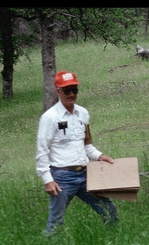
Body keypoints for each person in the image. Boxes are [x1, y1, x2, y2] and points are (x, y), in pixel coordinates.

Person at [36, 70, 118, 234]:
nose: (72, 94)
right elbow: (42, 152)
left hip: (86, 174)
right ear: (58, 91)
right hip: (62, 177)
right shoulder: (50, 117)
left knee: (109, 210)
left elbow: (87, 145)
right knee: (56, 223)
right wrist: (47, 180)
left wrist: (100, 156)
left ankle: (114, 243)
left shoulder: (83, 113)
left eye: (75, 89)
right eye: (67, 90)